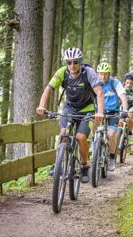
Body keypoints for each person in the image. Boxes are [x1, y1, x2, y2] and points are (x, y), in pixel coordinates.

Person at [36, 47, 104, 183]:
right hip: (69, 108)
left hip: (87, 109)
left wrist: (100, 112)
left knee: (80, 137)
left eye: (75, 62)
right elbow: (48, 89)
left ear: (80, 62)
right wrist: (42, 106)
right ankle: (59, 163)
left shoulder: (88, 72)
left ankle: (85, 166)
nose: (72, 65)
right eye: (69, 62)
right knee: (63, 133)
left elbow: (99, 92)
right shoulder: (62, 72)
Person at [96, 62, 128, 171]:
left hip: (113, 112)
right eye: (100, 74)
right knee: (90, 128)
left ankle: (112, 158)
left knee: (111, 134)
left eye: (105, 74)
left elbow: (123, 96)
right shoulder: (95, 82)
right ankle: (94, 147)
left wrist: (125, 110)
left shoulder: (115, 82)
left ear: (109, 74)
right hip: (99, 111)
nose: (103, 76)